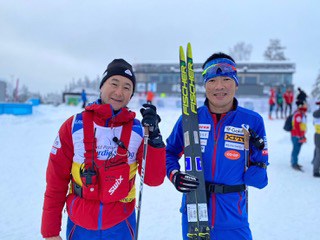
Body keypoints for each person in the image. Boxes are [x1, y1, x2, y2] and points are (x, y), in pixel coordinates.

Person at [41, 59, 166, 240]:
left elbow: (153, 179)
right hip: (80, 225)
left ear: (131, 94)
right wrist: (50, 232)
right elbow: (55, 182)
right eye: (114, 84)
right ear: (102, 86)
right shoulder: (73, 126)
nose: (119, 92)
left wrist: (154, 137)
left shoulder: (138, 130)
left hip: (121, 225)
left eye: (127, 87)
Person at [166, 52, 268, 240]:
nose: (219, 87)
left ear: (236, 84)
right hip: (195, 213)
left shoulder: (252, 121)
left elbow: (259, 181)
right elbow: (169, 153)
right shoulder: (190, 119)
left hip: (233, 217)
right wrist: (175, 175)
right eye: (212, 81)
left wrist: (256, 157)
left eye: (226, 79)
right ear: (204, 85)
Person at [290, 100, 307, 171]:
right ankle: (294, 163)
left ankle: (295, 162)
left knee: (297, 149)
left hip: (299, 135)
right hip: (296, 135)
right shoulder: (298, 115)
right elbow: (296, 126)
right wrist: (300, 136)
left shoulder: (301, 114)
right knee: (296, 149)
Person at [313, 101, 320, 177]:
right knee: (318, 154)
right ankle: (315, 171)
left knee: (317, 152)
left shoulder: (316, 114)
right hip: (318, 135)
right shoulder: (317, 114)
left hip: (317, 135)